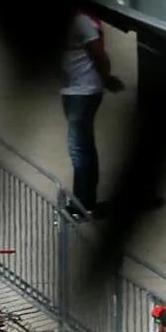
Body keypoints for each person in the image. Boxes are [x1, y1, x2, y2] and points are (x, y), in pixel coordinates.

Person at [61, 11, 121, 218]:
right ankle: (86, 201)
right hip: (73, 90)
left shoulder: (81, 21)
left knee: (79, 148)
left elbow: (99, 55)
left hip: (83, 92)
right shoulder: (75, 19)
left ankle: (83, 204)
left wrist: (106, 78)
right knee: (82, 146)